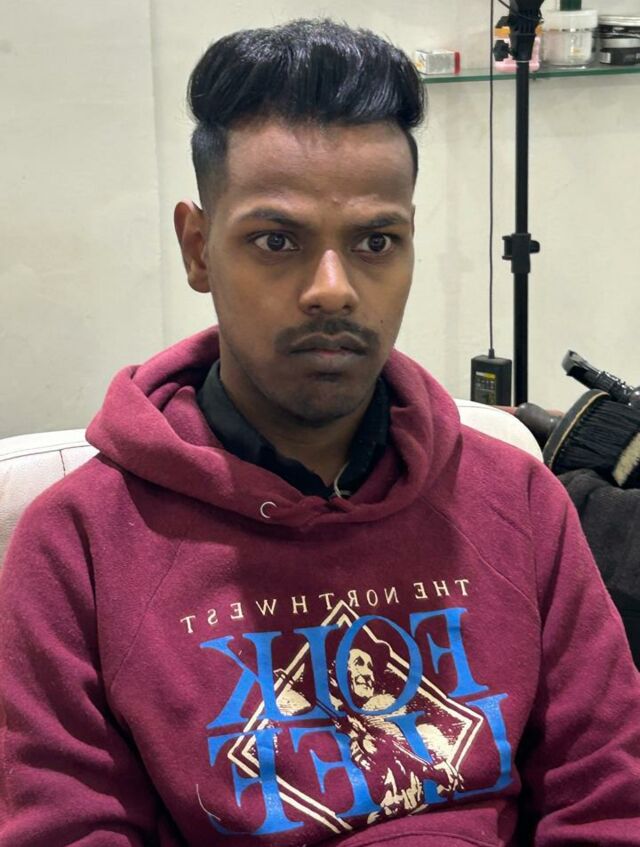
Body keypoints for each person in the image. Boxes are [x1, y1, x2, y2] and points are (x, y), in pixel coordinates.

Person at [1, 18, 639, 847]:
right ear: (198, 249)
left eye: (376, 241)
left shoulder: (518, 501)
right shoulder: (79, 546)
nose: (333, 289)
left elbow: (610, 798)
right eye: (277, 240)